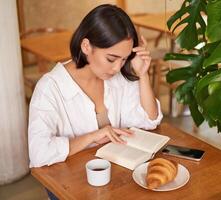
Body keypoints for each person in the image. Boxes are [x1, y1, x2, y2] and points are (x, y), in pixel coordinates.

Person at [28, 4, 163, 169]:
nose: (117, 68)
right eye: (111, 59)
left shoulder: (116, 78)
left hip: (115, 172)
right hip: (69, 181)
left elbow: (149, 120)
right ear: (86, 46)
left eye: (124, 59)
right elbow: (39, 154)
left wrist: (143, 75)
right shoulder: (49, 88)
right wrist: (93, 136)